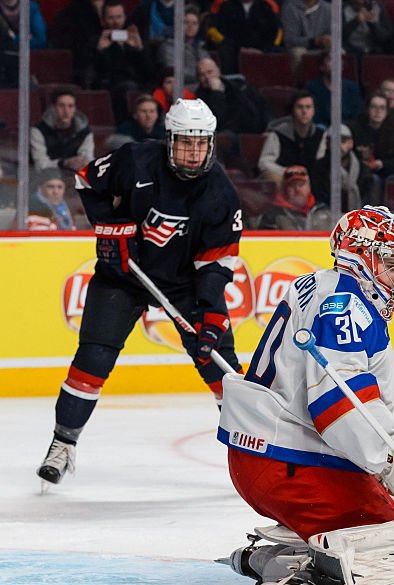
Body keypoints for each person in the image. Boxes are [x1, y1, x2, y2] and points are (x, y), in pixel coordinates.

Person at [218, 206, 394, 585]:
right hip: (292, 464)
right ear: (361, 256)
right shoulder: (346, 305)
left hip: (272, 457)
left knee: (392, 525)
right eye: (391, 263)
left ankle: (269, 560)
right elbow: (338, 407)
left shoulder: (322, 287)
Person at [36, 99, 244, 487]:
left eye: (200, 144)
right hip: (123, 276)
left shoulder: (220, 193)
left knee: (222, 366)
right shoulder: (135, 160)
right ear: (169, 141)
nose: (193, 152)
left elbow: (215, 264)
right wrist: (113, 229)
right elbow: (86, 180)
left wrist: (211, 317)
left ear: (211, 145)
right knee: (94, 356)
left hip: (184, 284)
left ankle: (252, 451)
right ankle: (63, 442)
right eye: (185, 142)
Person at [258, 91, 327, 184]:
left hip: (310, 183)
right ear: (293, 110)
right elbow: (264, 163)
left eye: (308, 107)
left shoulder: (321, 135)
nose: (304, 111)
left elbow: (321, 164)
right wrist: (286, 171)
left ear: (314, 111)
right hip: (283, 180)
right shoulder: (278, 133)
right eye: (300, 107)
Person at [29, 89, 95, 175]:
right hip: (45, 178)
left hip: (74, 178)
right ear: (53, 108)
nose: (66, 111)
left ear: (75, 109)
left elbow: (88, 159)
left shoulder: (84, 132)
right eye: (61, 106)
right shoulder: (38, 131)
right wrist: (63, 163)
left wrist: (82, 162)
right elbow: (40, 165)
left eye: (70, 106)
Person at [259, 165, 332, 231]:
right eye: (292, 186)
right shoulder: (272, 216)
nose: (297, 189)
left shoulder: (323, 211)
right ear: (284, 190)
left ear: (309, 187)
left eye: (301, 185)